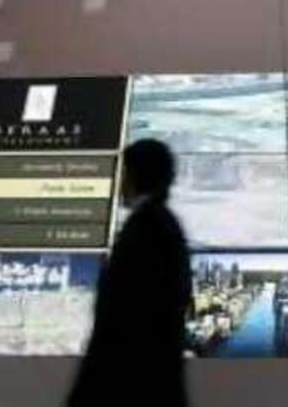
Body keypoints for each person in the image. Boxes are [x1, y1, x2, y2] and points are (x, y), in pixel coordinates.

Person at [67, 139, 192, 407]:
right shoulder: (164, 226)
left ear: (136, 176)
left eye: (123, 173)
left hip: (130, 388)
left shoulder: (146, 229)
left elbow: (121, 323)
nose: (119, 183)